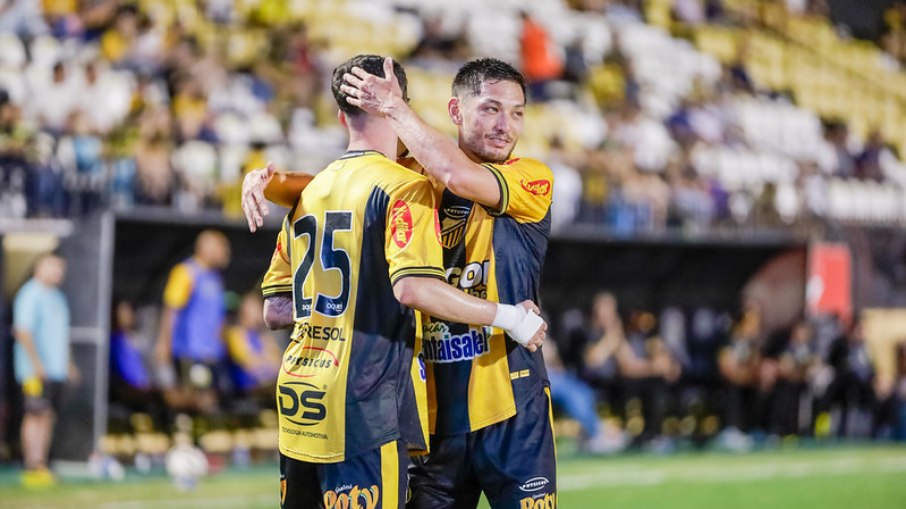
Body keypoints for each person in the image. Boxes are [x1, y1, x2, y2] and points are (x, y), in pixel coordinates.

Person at [246, 56, 556, 509]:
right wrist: (268, 182)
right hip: (433, 416)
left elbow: (456, 176)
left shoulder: (531, 177)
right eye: (491, 109)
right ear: (456, 111)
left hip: (511, 403)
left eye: (517, 113)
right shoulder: (412, 175)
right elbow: (353, 184)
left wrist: (394, 109)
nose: (505, 125)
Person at [12, 253, 77, 487]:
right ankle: (31, 465)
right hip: (33, 371)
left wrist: (68, 363)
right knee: (35, 414)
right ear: (39, 267)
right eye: (53, 267)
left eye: (61, 268)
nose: (59, 272)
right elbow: (23, 331)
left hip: (56, 370)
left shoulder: (58, 297)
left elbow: (62, 335)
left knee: (48, 415)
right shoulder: (30, 294)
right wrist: (37, 363)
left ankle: (41, 463)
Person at [154, 229, 231, 413]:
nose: (226, 253)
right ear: (206, 247)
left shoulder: (215, 279)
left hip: (212, 353)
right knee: (195, 397)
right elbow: (171, 310)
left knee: (211, 397)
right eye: (222, 247)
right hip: (190, 351)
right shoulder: (185, 272)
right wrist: (164, 343)